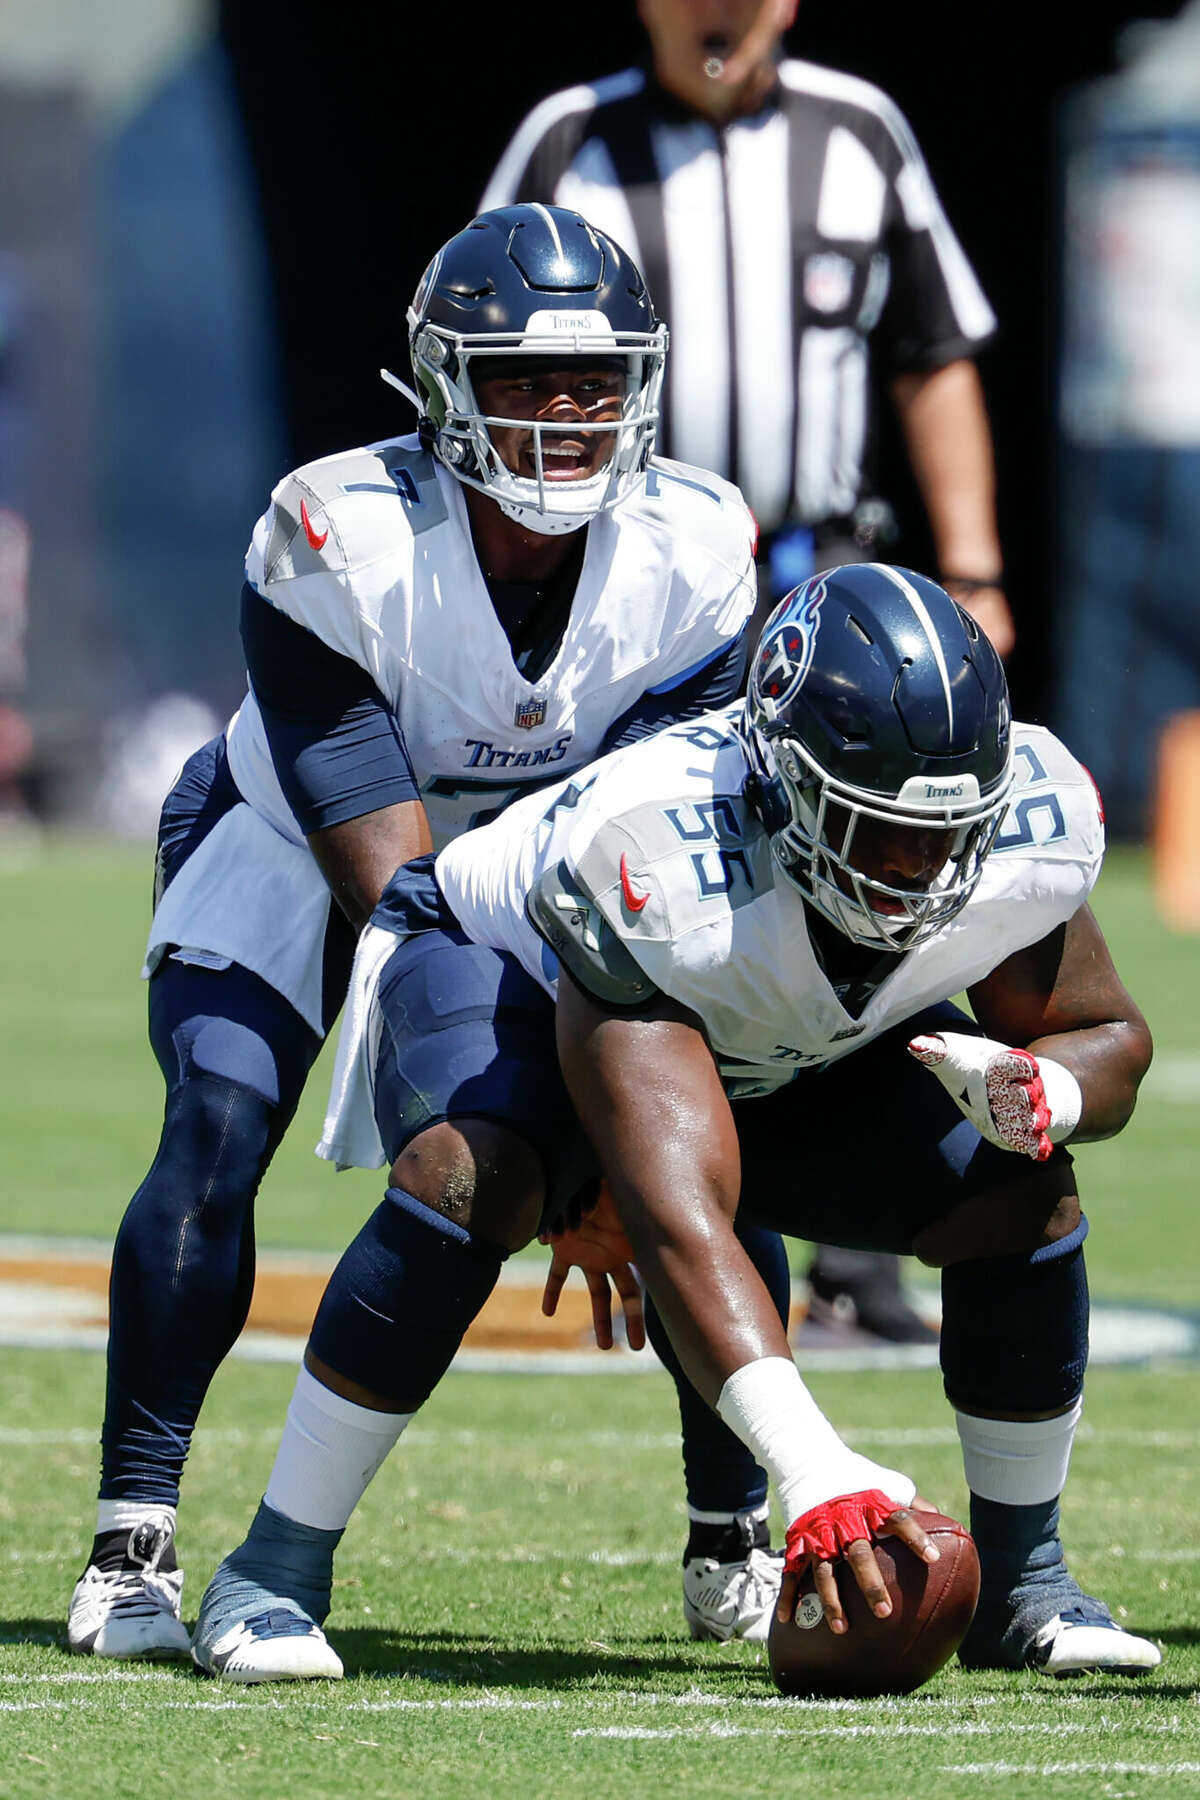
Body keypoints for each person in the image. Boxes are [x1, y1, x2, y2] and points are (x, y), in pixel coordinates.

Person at [190, 564, 1160, 1685]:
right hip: (499, 972)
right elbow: (678, 1211)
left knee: (1021, 1191)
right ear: (781, 783)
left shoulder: (1026, 825)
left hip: (761, 1034)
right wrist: (815, 1471)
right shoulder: (661, 857)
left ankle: (1025, 1580)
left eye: (945, 834)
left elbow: (1106, 1034)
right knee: (481, 1172)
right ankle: (270, 1571)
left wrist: (1053, 1095)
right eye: (872, 829)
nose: (914, 872)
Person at [66, 203, 761, 1660]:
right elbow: (403, 893)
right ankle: (134, 1534)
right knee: (217, 1119)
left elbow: (662, 842)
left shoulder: (693, 550)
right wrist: (561, 1141)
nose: (564, 419)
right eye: (521, 379)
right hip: (300, 839)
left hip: (559, 873)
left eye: (593, 383)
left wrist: (608, 1142)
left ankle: (729, 1533)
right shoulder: (338, 534)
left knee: (703, 1126)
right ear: (444, 383)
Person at [481, 0, 1014, 1348]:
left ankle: (855, 1242)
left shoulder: (858, 132)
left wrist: (978, 564)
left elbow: (932, 349)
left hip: (818, 579)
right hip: (636, 578)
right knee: (629, 882)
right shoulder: (570, 138)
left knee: (872, 885)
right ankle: (604, 1169)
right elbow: (477, 349)